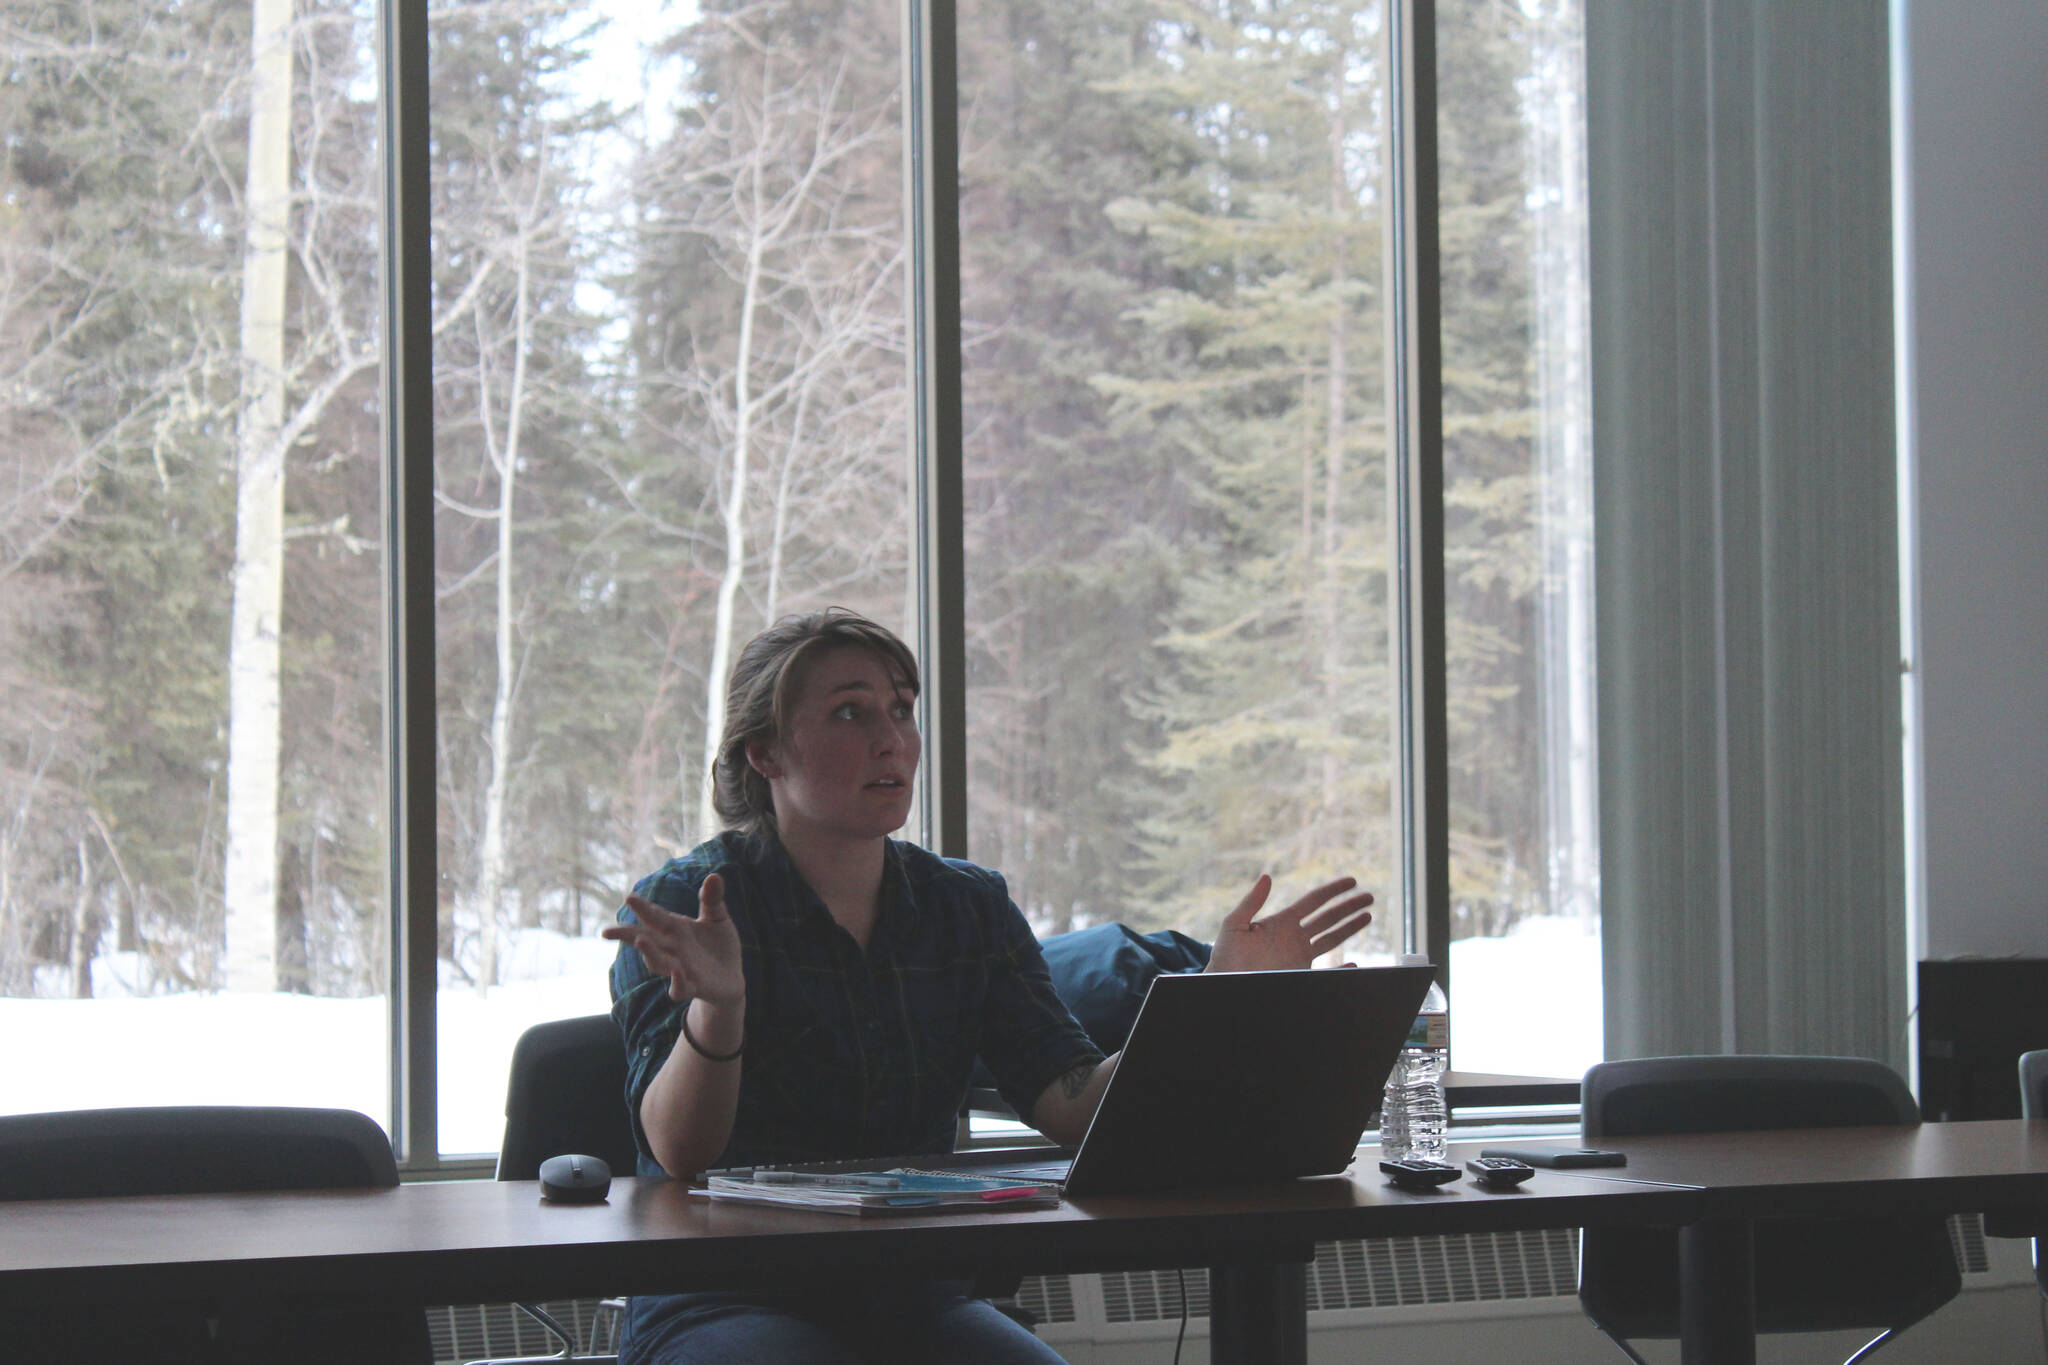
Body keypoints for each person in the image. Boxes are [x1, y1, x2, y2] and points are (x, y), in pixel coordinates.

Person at [603, 608, 1375, 1365]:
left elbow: (1071, 1102)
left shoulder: (966, 907)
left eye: (901, 711)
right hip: (721, 1294)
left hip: (911, 1296)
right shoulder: (690, 905)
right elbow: (678, 1151)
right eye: (849, 711)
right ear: (765, 752)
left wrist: (1214, 996)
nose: (890, 739)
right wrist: (721, 1004)